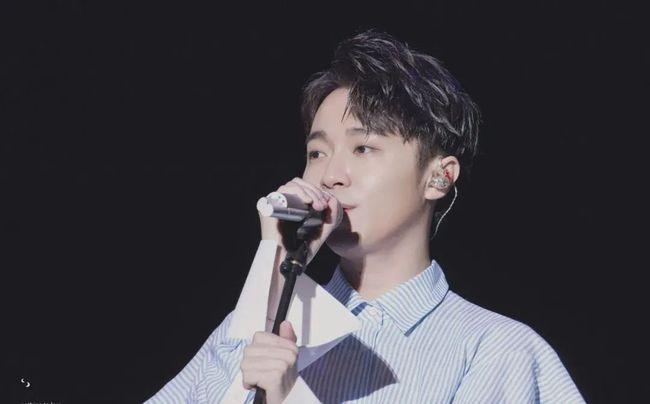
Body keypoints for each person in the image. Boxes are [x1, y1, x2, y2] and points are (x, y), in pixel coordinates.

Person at [144, 30, 585, 403]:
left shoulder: (496, 349)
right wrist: (273, 268)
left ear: (438, 177)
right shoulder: (254, 322)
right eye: (317, 153)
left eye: (363, 148)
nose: (330, 175)